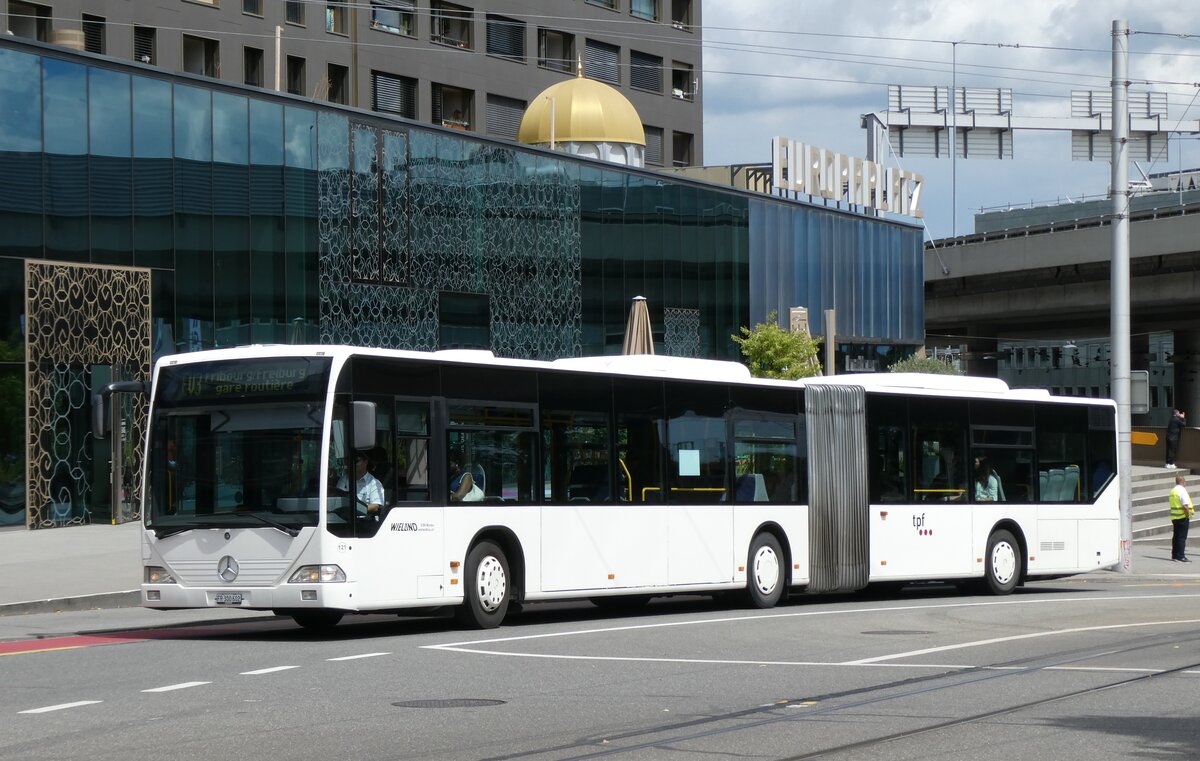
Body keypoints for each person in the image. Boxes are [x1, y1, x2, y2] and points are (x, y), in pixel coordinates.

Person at [337, 450, 384, 515]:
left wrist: (355, 510)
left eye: (356, 461)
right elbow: (337, 500)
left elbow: (375, 506)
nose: (352, 464)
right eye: (349, 461)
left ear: (365, 462)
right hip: (344, 519)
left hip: (364, 521)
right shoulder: (344, 479)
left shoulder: (374, 483)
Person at [1169, 473, 1194, 562]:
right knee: (1181, 537)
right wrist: (1187, 515)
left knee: (1176, 536)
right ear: (1183, 481)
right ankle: (1181, 556)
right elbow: (1185, 506)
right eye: (1185, 481)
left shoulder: (1173, 491)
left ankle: (1174, 555)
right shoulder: (1182, 491)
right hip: (1182, 517)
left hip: (1175, 517)